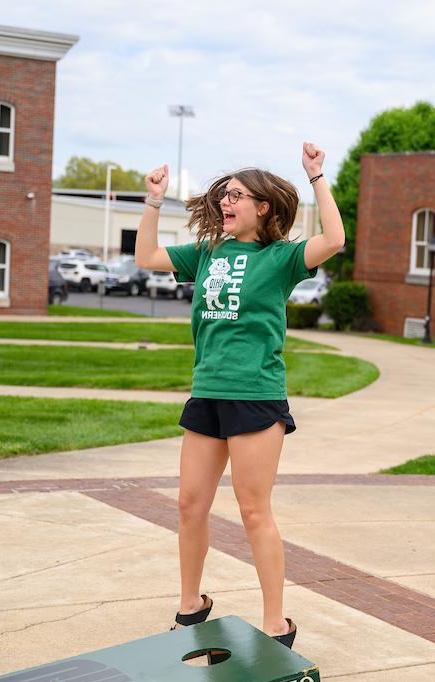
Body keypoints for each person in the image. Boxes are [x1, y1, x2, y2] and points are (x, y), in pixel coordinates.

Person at [134, 144, 345, 648]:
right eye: (224, 196)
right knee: (189, 504)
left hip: (255, 396)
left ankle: (276, 623)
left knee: (254, 510)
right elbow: (146, 256)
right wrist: (153, 201)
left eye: (237, 196)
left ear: (263, 207)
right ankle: (191, 606)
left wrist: (317, 176)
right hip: (207, 392)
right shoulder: (207, 253)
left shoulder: (280, 259)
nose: (226, 203)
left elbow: (335, 239)